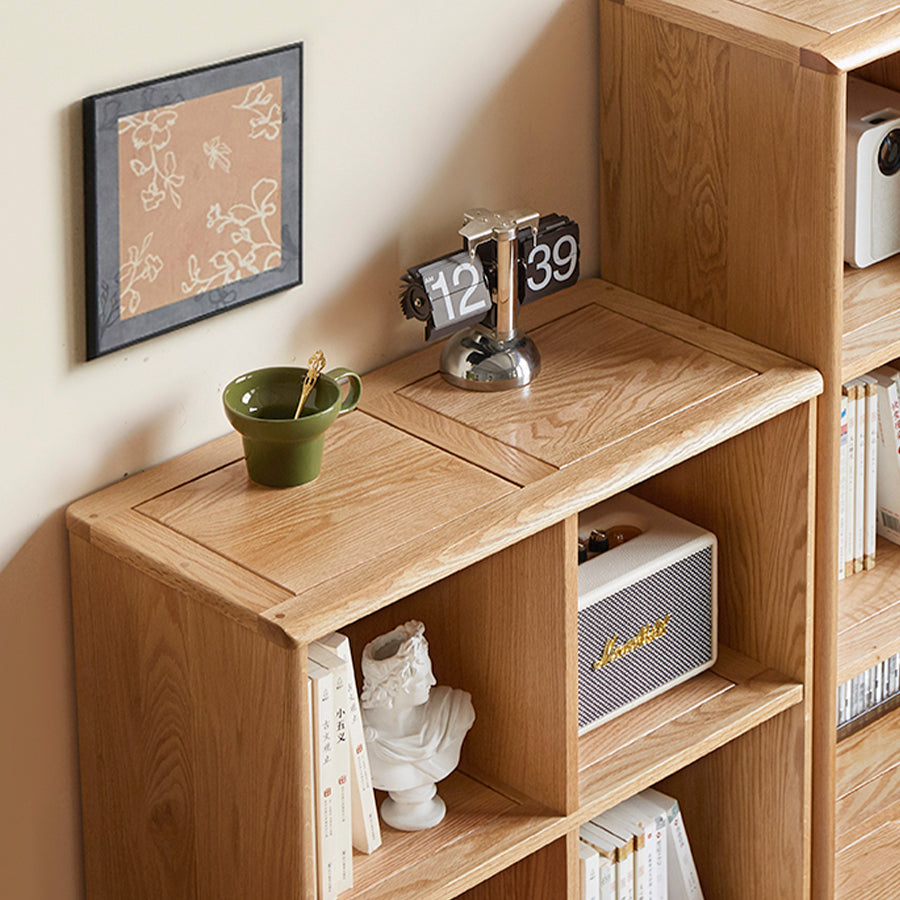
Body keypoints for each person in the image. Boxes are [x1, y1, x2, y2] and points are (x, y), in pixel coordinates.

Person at [360, 620, 475, 831]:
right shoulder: (357, 732)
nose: (433, 681)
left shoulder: (453, 710)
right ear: (394, 686)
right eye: (422, 679)